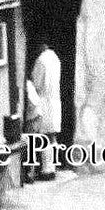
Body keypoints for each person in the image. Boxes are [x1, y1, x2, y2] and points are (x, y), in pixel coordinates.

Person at [25, 42, 62, 182]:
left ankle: (46, 170)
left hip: (44, 101)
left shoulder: (41, 60)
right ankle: (52, 168)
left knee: (44, 137)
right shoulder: (55, 57)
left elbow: (36, 84)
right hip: (54, 100)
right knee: (52, 137)